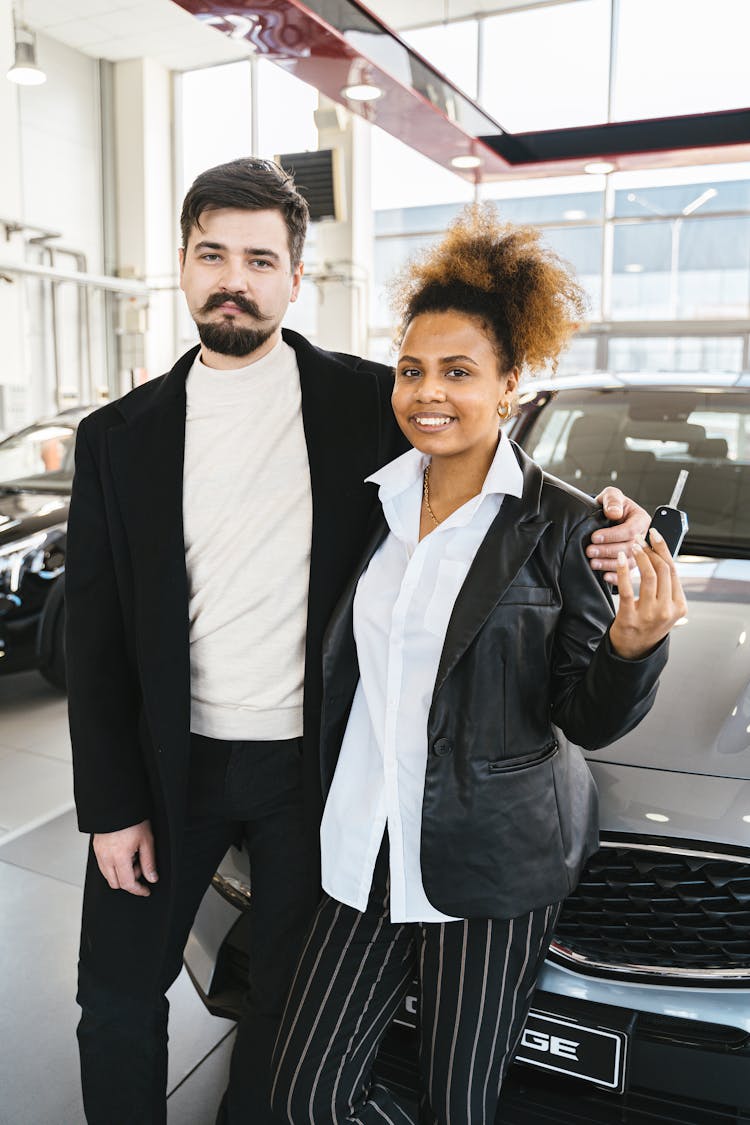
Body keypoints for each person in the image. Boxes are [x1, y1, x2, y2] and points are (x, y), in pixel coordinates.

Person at [66, 161, 648, 1125]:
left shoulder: (367, 402)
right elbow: (94, 635)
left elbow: (486, 454)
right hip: (170, 770)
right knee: (116, 999)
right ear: (182, 265)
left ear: (298, 278)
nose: (234, 279)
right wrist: (110, 801)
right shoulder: (115, 437)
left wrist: (607, 523)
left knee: (279, 1007)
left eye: (261, 258)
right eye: (213, 254)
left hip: (316, 774)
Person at [270, 207, 686, 1124]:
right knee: (304, 1093)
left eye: (460, 371)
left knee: (457, 1101)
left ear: (510, 385)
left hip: (487, 867)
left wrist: (632, 644)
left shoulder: (566, 525)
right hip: (361, 846)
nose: (430, 392)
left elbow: (587, 716)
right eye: (413, 369)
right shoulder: (374, 500)